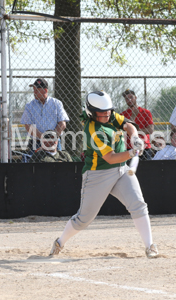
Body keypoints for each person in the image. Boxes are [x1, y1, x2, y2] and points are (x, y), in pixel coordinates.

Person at [49, 91, 158, 259]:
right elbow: (110, 157)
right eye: (102, 112)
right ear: (92, 112)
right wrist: (132, 152)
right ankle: (60, 241)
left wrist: (135, 136)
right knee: (84, 219)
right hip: (97, 175)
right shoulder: (93, 129)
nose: (107, 115)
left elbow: (128, 125)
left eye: (108, 111)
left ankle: (150, 246)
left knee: (138, 204)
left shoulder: (108, 114)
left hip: (122, 170)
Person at [20, 78, 69, 153]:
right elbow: (28, 126)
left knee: (57, 163)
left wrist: (52, 138)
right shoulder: (29, 106)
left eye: (37, 90)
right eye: (34, 90)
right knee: (37, 164)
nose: (34, 92)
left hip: (54, 143)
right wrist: (43, 138)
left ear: (45, 90)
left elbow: (62, 124)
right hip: (36, 142)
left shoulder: (57, 103)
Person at [120, 89, 154, 160]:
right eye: (126, 98)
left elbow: (150, 130)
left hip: (145, 147)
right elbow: (123, 131)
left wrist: (133, 131)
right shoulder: (123, 115)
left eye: (131, 97)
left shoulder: (146, 112)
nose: (129, 99)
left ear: (135, 97)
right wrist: (133, 117)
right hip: (129, 147)